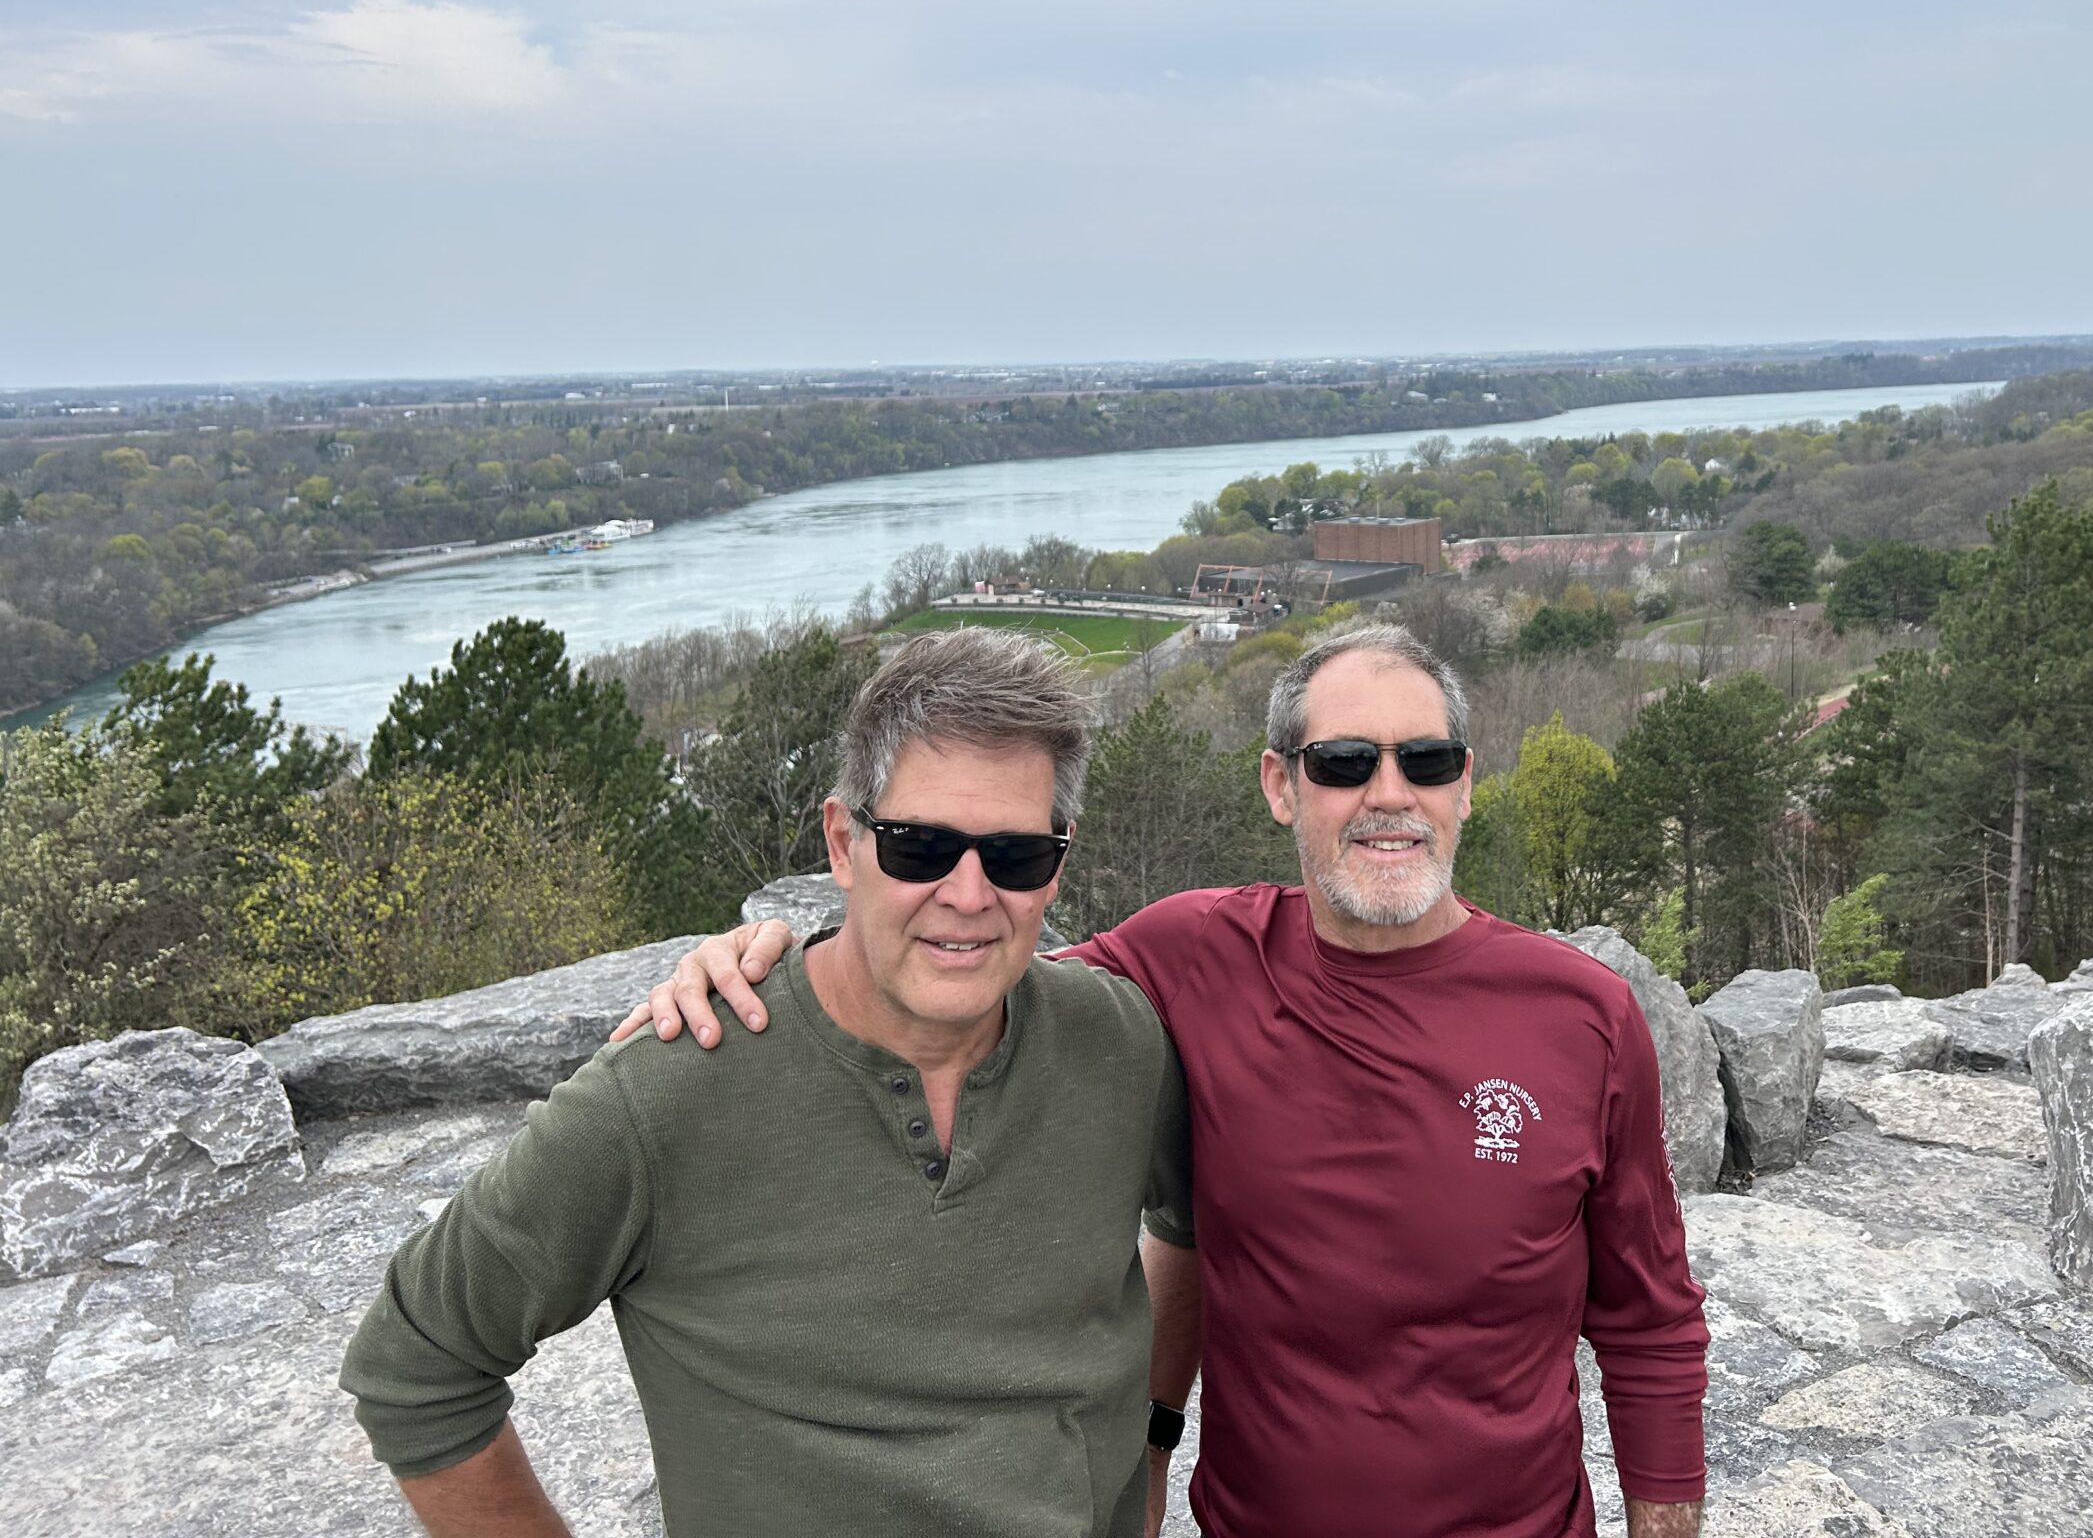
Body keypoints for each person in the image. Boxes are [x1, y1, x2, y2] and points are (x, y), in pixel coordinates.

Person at [622, 624, 1709, 1538]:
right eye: (1343, 763)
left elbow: (1650, 1325)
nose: (1390, 794)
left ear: (1464, 784)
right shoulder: (1195, 958)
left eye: (1425, 762)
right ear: (1282, 787)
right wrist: (773, 949)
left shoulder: (1581, 1016)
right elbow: (960, 966)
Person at [342, 628, 1192, 1538]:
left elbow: (1189, 1228)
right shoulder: (670, 1094)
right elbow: (417, 1365)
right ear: (842, 842)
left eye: (1017, 856)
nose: (970, 894)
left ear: (1058, 863)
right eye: (919, 846)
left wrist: (1149, 1446)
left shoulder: (1119, 1046)